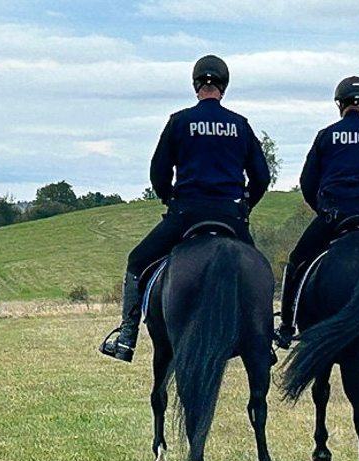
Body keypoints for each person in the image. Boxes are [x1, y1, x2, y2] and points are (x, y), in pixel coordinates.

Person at [100, 54, 271, 362]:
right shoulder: (240, 125)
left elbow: (158, 171)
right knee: (258, 271)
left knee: (137, 260)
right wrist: (245, 206)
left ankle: (126, 337)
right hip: (230, 216)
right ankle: (263, 338)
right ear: (224, 86)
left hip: (186, 213)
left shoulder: (179, 121)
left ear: (196, 86)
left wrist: (170, 199)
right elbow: (261, 176)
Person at [274, 75, 359, 349]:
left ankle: (287, 325)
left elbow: (308, 183)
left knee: (297, 261)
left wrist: (323, 209)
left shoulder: (326, 136)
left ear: (339, 104)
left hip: (336, 216)